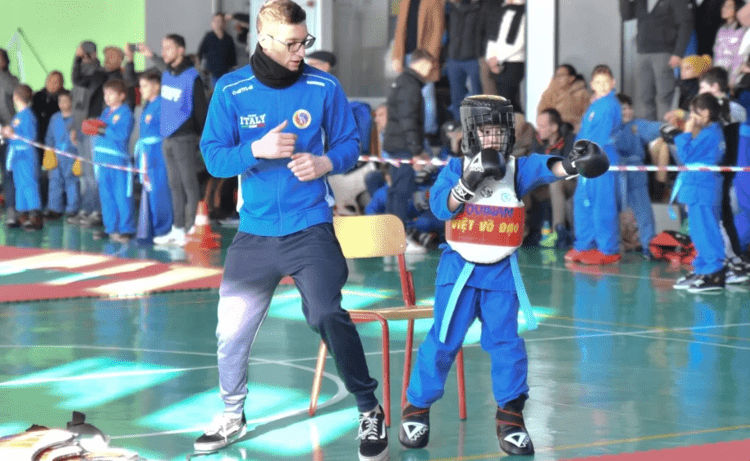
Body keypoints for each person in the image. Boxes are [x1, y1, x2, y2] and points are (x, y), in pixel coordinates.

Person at [196, 2, 388, 461]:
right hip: (255, 234)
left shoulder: (324, 86)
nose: (302, 50)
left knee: (325, 313)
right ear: (264, 40)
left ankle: (369, 408)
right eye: (293, 43)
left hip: (310, 229)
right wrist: (254, 149)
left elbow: (348, 144)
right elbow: (213, 157)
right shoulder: (231, 89)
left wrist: (326, 162)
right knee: (231, 328)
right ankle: (232, 413)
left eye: (306, 41)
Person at [397, 94, 609, 455]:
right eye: (487, 131)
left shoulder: (517, 168)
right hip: (459, 271)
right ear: (471, 133)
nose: (494, 138)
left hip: (500, 274)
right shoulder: (454, 166)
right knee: (443, 340)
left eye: (500, 131)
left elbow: (548, 168)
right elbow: (439, 207)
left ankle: (510, 416)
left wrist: (575, 164)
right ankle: (416, 408)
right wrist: (468, 181)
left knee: (507, 344)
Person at [139, 35, 208, 247]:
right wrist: (150, 54)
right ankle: (177, 229)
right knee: (174, 184)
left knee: (188, 183)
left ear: (180, 50)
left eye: (169, 48)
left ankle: (191, 228)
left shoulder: (192, 77)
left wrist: (202, 140)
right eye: (163, 47)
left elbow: (201, 111)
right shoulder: (167, 74)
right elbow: (160, 62)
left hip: (184, 137)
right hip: (167, 138)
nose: (165, 51)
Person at [565, 65, 623, 266]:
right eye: (597, 82)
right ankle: (584, 244)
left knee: (602, 203)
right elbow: (583, 134)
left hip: (601, 158)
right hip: (586, 160)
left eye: (605, 82)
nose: (602, 86)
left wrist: (588, 153)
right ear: (591, 85)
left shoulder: (609, 105)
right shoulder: (594, 106)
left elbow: (601, 135)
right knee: (583, 200)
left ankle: (607, 248)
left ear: (613, 83)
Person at [382, 48, 436, 253]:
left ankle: (390, 238)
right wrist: (416, 151)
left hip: (396, 144)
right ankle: (399, 239)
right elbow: (409, 120)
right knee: (402, 192)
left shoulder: (403, 81)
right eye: (429, 66)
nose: (430, 71)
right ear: (421, 63)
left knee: (396, 191)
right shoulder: (410, 86)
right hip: (403, 147)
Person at [671, 93, 727, 292]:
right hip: (698, 187)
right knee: (698, 231)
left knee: (706, 230)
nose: (691, 118)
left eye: (694, 113)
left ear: (705, 113)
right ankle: (703, 268)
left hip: (701, 188)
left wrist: (686, 132)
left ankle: (714, 270)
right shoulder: (710, 132)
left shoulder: (710, 133)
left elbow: (686, 154)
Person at [619, 0, 694, 121]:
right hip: (642, 52)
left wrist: (678, 53)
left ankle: (665, 133)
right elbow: (626, 15)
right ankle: (648, 135)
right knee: (644, 97)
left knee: (664, 97)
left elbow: (685, 23)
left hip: (664, 53)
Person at [82, 79, 135, 242]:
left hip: (117, 162)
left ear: (122, 95)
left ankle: (126, 228)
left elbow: (121, 135)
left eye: (111, 94)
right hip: (102, 161)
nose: (107, 97)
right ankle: (110, 227)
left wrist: (100, 129)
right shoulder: (105, 113)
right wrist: (92, 125)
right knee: (106, 196)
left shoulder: (126, 113)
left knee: (121, 195)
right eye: (105, 94)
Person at [391, 0, 445, 141]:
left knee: (426, 95)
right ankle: (410, 133)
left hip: (423, 57)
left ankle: (428, 132)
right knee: (407, 96)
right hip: (407, 55)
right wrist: (397, 56)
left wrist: (430, 58)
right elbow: (399, 28)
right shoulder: (404, 2)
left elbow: (438, 29)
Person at [613, 94, 659, 258]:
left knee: (643, 212)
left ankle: (649, 245)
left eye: (629, 107)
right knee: (609, 212)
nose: (628, 111)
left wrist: (668, 127)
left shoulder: (637, 126)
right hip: (614, 175)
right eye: (623, 108)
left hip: (636, 174)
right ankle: (611, 247)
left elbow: (655, 128)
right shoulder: (608, 128)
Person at [135, 70, 173, 238]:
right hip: (146, 152)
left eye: (144, 86)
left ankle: (163, 228)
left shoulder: (163, 104)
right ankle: (153, 226)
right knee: (150, 187)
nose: (141, 90)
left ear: (156, 86)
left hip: (157, 151)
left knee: (159, 188)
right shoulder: (148, 106)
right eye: (140, 86)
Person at [532, 108, 576, 249]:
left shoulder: (570, 139)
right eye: (538, 125)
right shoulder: (538, 142)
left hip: (571, 183)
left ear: (554, 127)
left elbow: (569, 169)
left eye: (542, 126)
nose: (538, 129)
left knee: (556, 183)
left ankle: (559, 231)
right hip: (544, 183)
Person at [1, 84, 42, 230]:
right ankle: (22, 214)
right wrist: (7, 133)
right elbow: (14, 135)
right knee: (19, 186)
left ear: (15, 97)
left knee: (29, 184)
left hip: (26, 155)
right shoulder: (18, 116)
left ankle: (34, 216)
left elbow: (29, 137)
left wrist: (13, 134)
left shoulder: (28, 116)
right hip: (17, 156)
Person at [480, 0, 527, 112]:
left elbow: (520, 42)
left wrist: (498, 58)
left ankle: (519, 125)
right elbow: (493, 37)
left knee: (508, 98)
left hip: (514, 62)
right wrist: (490, 58)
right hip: (496, 62)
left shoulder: (524, 13)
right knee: (500, 99)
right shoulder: (502, 11)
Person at [44, 90, 80, 220]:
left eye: (65, 101)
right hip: (56, 155)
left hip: (71, 155)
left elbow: (80, 138)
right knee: (54, 181)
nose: (62, 104)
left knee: (72, 182)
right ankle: (54, 209)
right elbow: (49, 136)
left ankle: (72, 209)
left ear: (72, 101)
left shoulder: (77, 118)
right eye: (60, 101)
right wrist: (49, 150)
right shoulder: (54, 118)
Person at [444, 0, 483, 121]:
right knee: (456, 99)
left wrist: (479, 53)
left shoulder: (479, 8)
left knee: (477, 98)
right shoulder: (449, 9)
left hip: (473, 60)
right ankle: (459, 128)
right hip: (453, 59)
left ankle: (476, 129)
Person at [536, 64, 590, 132]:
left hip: (573, 130)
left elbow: (588, 115)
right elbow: (541, 112)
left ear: (571, 78)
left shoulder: (582, 94)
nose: (558, 78)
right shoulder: (548, 93)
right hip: (551, 131)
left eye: (561, 75)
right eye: (556, 75)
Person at [0, 48, 20, 227]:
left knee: (8, 173)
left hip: (7, 133)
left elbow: (16, 103)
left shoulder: (11, 80)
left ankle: (12, 210)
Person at [198, 13, 238, 87]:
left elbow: (233, 56)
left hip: (226, 72)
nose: (217, 23)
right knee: (214, 92)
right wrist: (200, 68)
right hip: (212, 73)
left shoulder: (228, 38)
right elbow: (200, 52)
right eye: (215, 21)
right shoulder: (208, 37)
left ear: (224, 23)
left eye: (219, 21)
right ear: (212, 23)